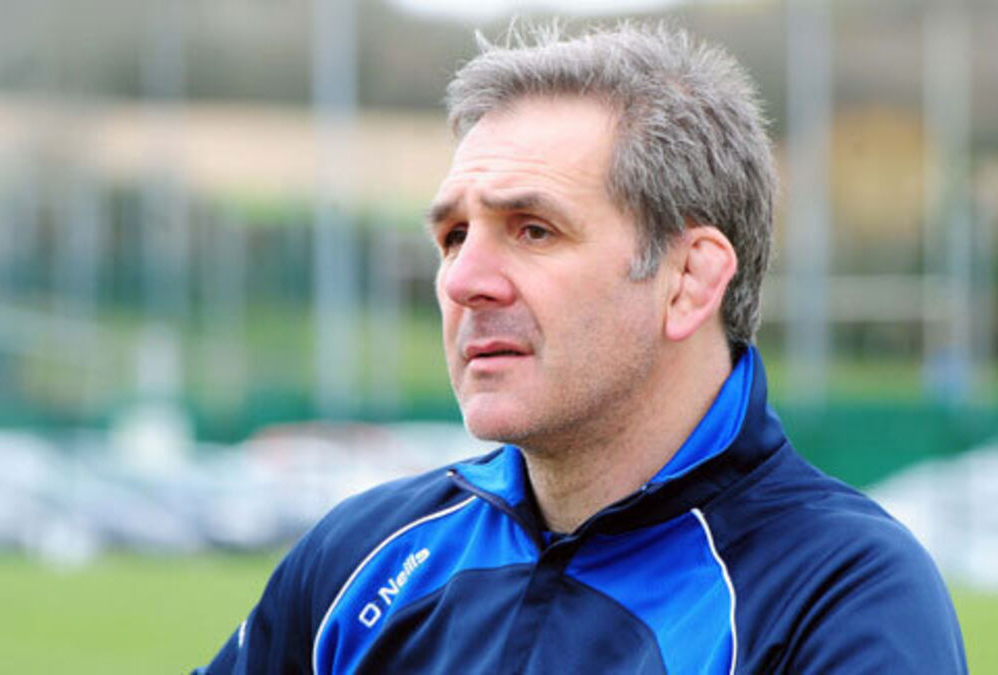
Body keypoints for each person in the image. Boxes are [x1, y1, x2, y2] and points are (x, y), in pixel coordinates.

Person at [198, 22, 967, 674]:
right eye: (454, 235)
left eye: (533, 230)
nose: (463, 280)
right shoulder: (359, 556)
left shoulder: (840, 596)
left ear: (690, 280)